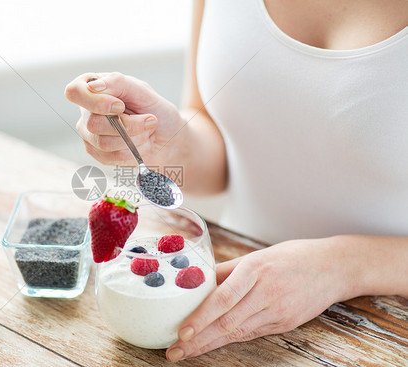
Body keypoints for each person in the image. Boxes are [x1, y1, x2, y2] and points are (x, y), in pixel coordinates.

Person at [65, 0, 408, 362]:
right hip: (234, 290)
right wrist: (168, 144)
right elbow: (223, 159)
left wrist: (343, 266)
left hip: (383, 328)